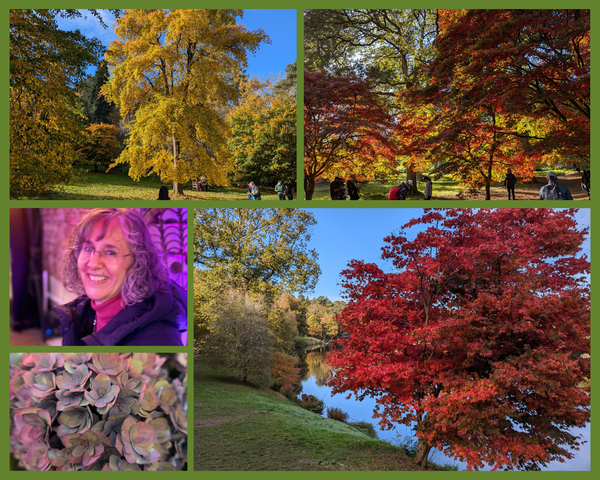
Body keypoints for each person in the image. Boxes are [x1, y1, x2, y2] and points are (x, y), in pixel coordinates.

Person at [54, 209, 187, 346]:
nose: (93, 263)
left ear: (137, 262)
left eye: (111, 252)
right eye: (88, 248)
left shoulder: (157, 340)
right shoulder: (83, 312)